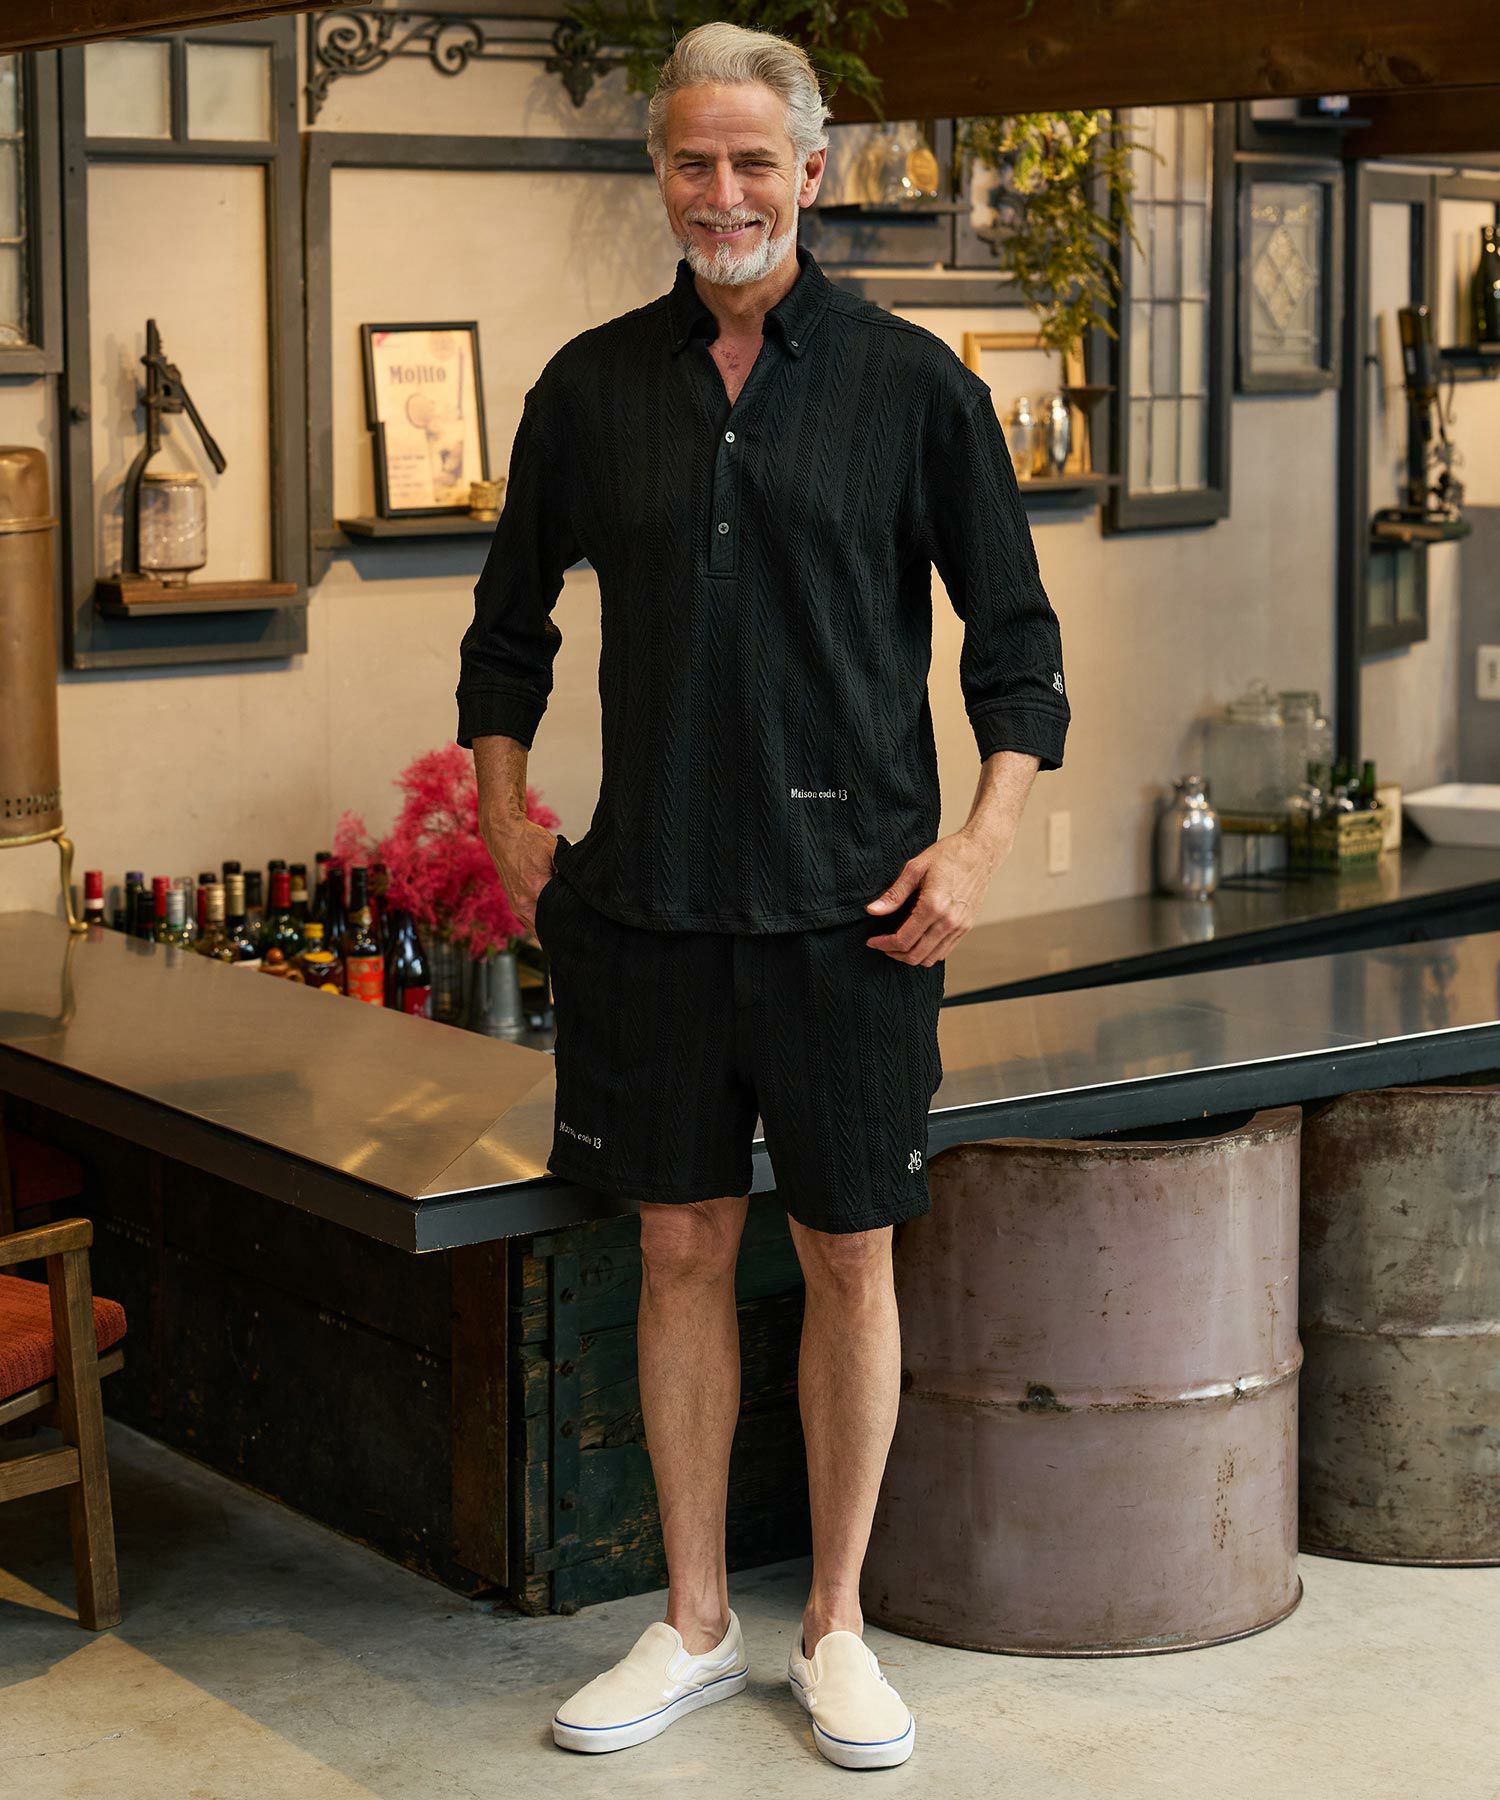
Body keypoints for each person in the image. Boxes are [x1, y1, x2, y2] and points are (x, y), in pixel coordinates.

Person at [455, 18, 1070, 1772]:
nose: (720, 192)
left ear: (809, 171)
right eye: (690, 161)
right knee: (674, 1250)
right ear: (661, 173)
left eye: (750, 162)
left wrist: (979, 844)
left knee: (851, 1254)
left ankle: (838, 1628)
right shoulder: (590, 388)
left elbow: (1018, 653)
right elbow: (507, 629)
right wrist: (504, 812)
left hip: (854, 912)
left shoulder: (914, 387)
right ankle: (695, 1620)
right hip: (647, 904)